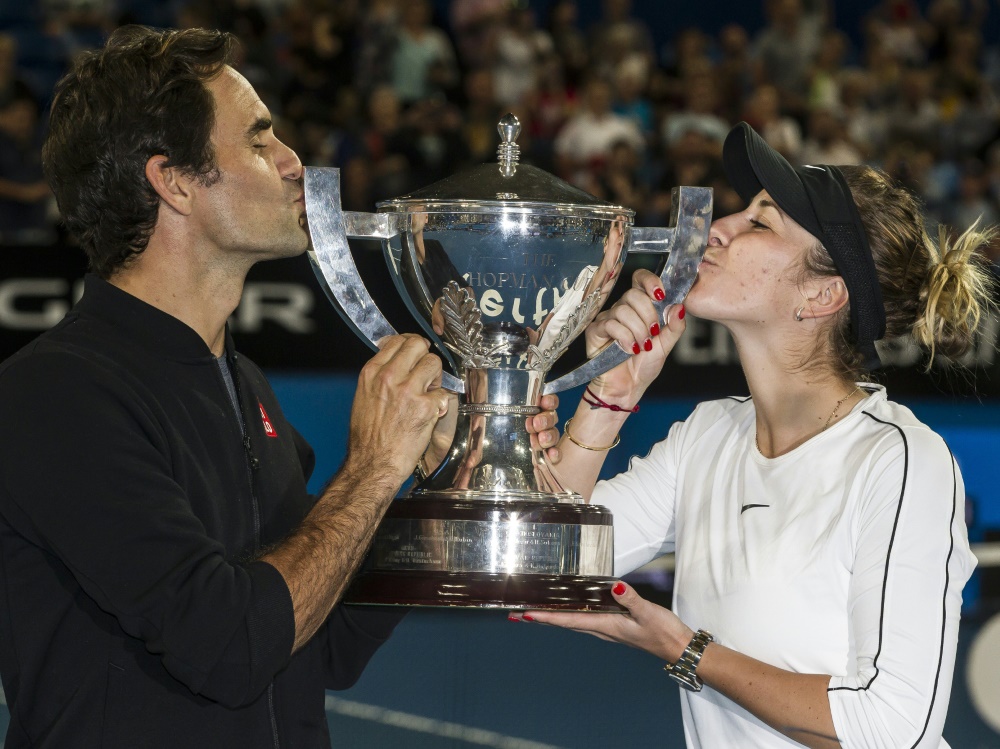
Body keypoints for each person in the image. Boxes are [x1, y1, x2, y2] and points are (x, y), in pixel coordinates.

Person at [0, 27, 560, 748]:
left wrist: (437, 480)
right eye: (261, 141)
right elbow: (229, 643)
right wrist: (372, 467)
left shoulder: (242, 384)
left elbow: (322, 642)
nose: (295, 162)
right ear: (173, 181)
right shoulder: (55, 396)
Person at [516, 121, 994, 749]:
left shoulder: (900, 460)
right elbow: (535, 566)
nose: (719, 227)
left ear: (822, 295)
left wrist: (684, 649)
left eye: (760, 223)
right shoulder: (707, 435)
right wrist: (611, 396)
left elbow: (891, 728)